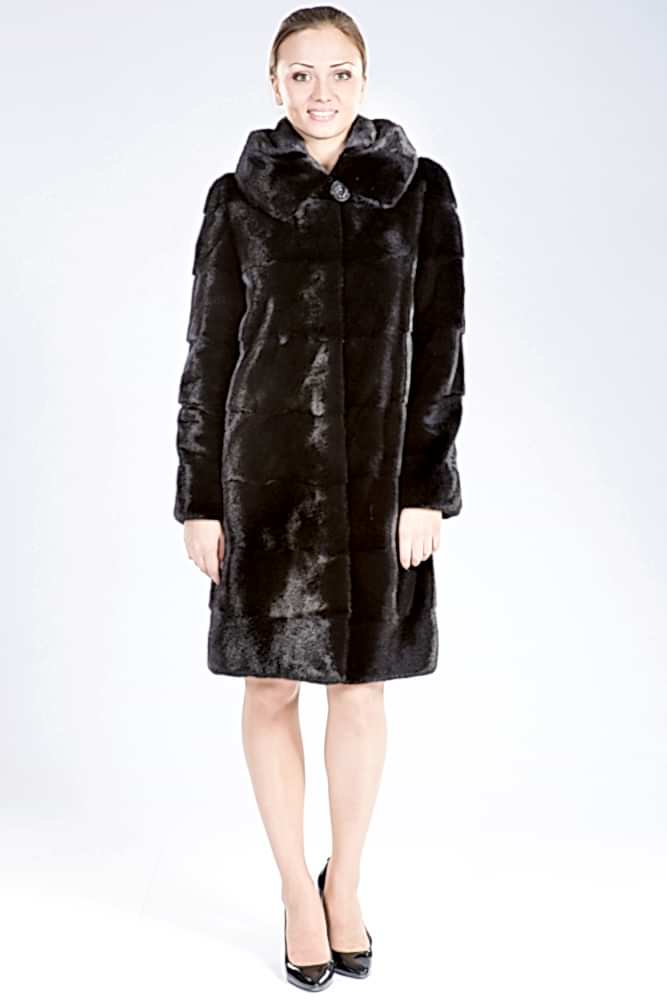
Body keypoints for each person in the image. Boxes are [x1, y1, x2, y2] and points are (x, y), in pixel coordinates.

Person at [173, 5, 466, 990]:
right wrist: (200, 498)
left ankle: (350, 883)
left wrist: (426, 488)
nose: (321, 91)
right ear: (274, 84)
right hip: (266, 482)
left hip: (378, 483)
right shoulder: (236, 198)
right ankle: (297, 889)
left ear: (363, 79)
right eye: (300, 73)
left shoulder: (419, 191)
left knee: (359, 686)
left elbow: (441, 349)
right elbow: (209, 351)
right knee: (267, 685)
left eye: (339, 72)